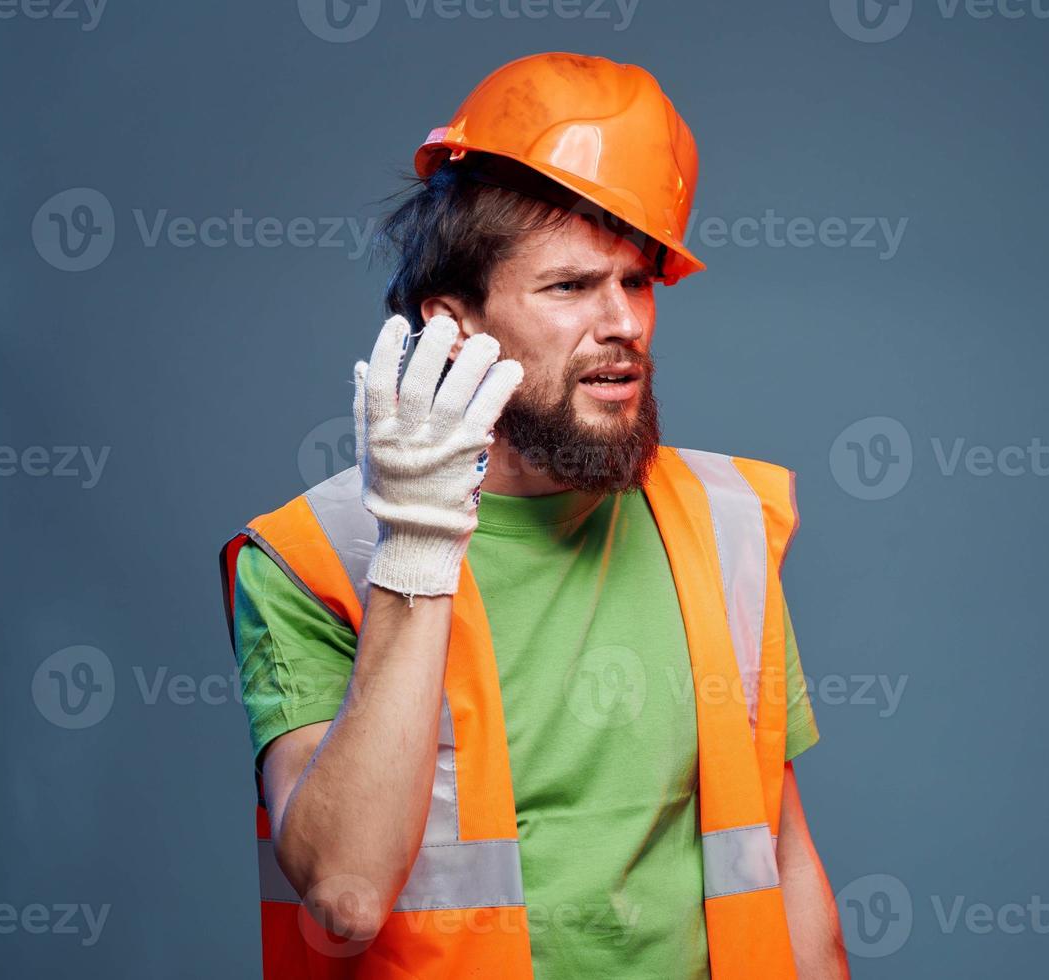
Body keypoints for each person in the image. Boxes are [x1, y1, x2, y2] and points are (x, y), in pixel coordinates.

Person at [218, 51, 849, 979]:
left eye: (636, 282)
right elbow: (344, 895)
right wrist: (420, 546)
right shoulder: (313, 559)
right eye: (570, 287)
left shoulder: (725, 524)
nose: (624, 322)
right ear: (456, 327)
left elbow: (783, 855)